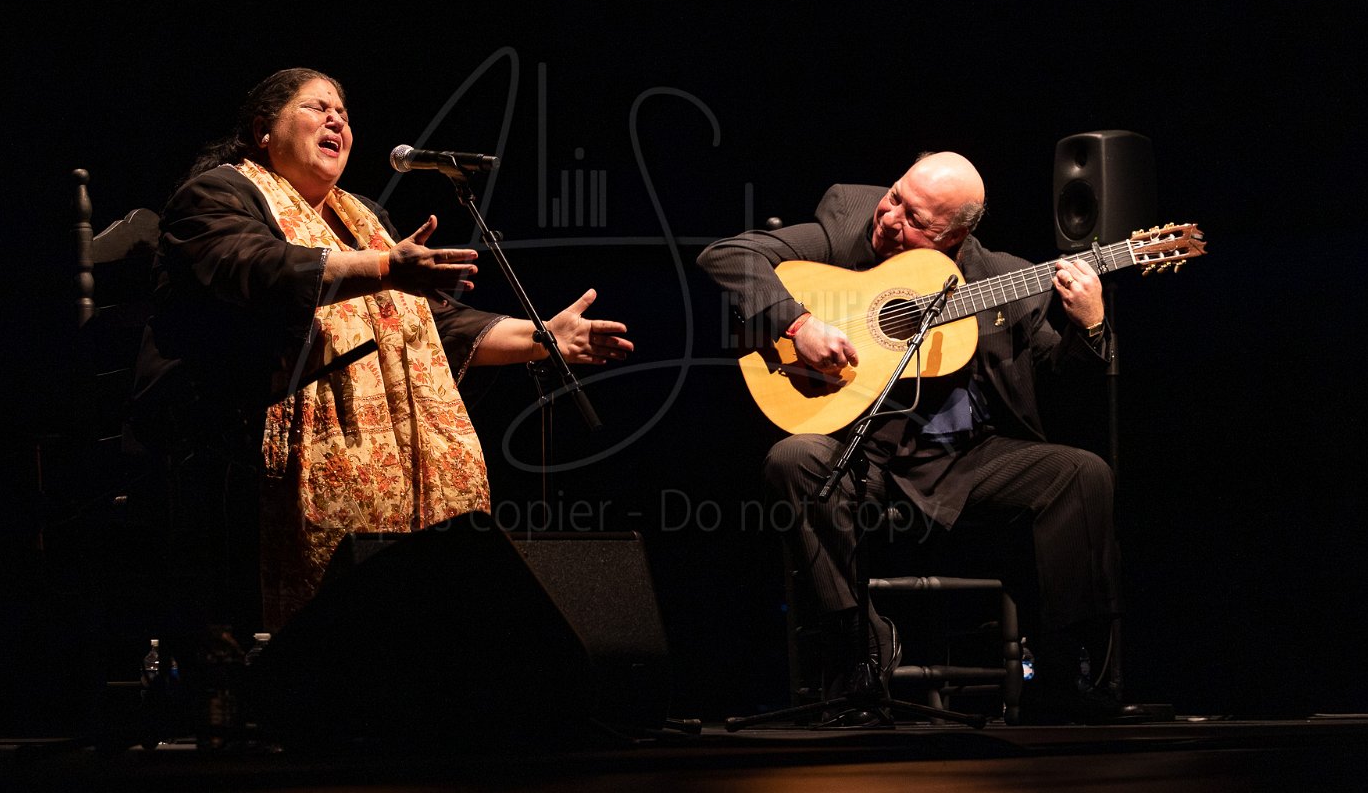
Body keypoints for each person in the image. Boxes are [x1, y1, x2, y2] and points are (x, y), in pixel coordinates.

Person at [132, 67, 632, 635]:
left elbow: (435, 326)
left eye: (343, 114)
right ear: (262, 131)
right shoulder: (217, 193)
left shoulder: (362, 218)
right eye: (316, 108)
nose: (336, 120)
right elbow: (259, 267)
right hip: (236, 433)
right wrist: (384, 266)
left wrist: (542, 340)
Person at [697, 151, 1152, 724]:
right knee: (793, 458)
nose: (890, 219)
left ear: (955, 235)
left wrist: (1089, 325)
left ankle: (1063, 677)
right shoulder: (849, 217)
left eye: (915, 220)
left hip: (968, 460)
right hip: (866, 456)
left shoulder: (1005, 278)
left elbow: (1061, 385)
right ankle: (859, 650)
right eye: (896, 196)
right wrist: (800, 322)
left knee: (1082, 473)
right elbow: (727, 255)